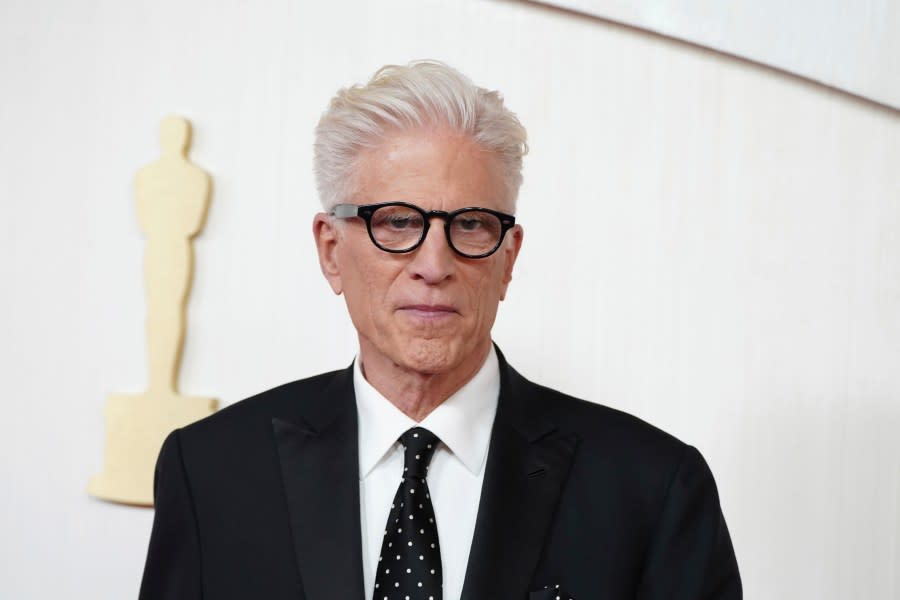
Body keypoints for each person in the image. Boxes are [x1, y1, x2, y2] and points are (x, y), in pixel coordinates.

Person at [139, 60, 741, 600]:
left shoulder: (652, 487)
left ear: (508, 257)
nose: (433, 264)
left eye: (472, 225)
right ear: (330, 249)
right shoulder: (211, 471)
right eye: (397, 222)